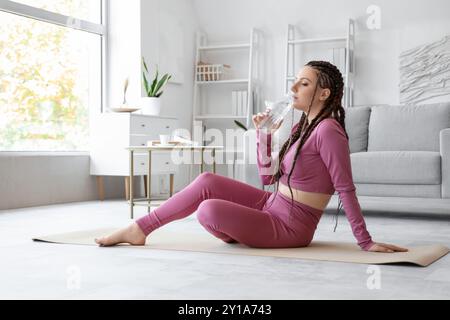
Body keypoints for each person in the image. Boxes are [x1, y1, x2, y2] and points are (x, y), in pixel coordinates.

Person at [95, 60, 408, 253]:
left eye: (304, 82)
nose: (294, 86)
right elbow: (268, 179)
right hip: (272, 204)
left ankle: (239, 229)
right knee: (206, 180)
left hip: (292, 226)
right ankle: (140, 229)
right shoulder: (303, 126)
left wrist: (365, 241)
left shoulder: (328, 131)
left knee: (209, 210)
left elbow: (345, 189)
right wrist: (264, 136)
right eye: (296, 79)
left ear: (324, 94)